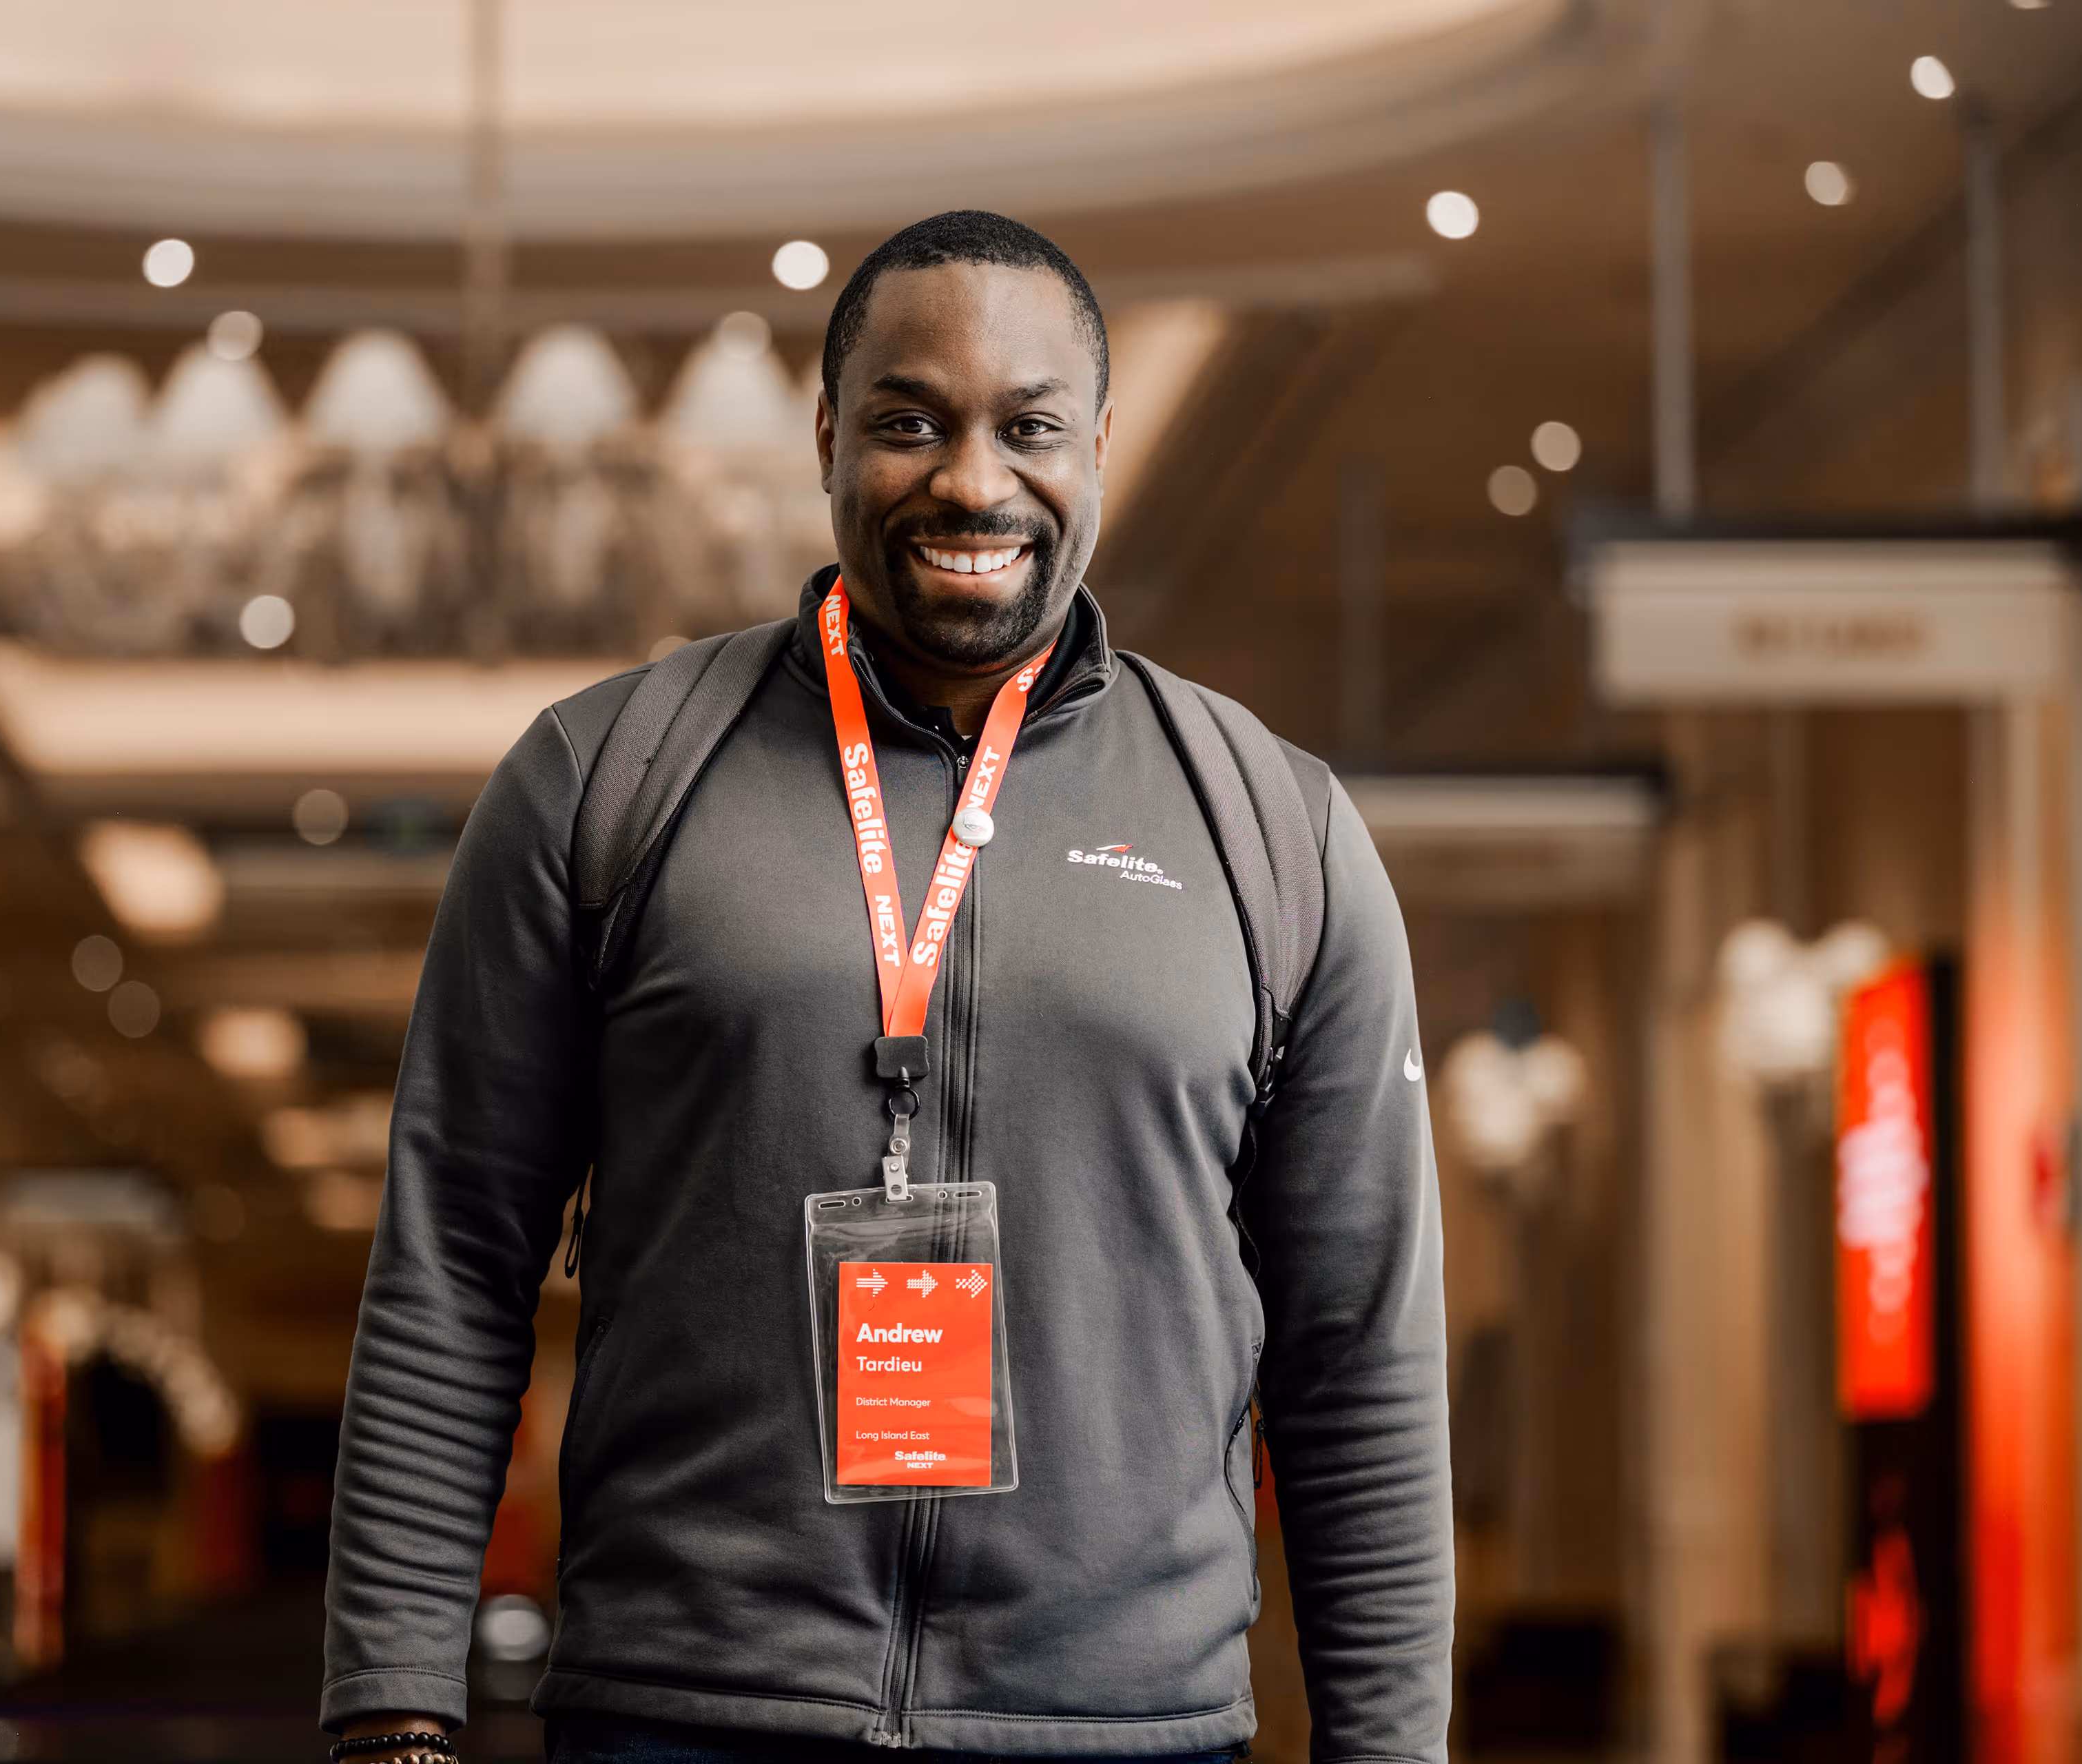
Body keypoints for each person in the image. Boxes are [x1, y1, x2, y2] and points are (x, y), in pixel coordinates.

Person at [322, 210, 1450, 1764]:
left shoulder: (1273, 829)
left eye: (1030, 425)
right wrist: (390, 1702)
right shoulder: (607, 781)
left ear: (1102, 442)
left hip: (1125, 1726)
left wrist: (1392, 1745)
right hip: (684, 1710)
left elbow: (1360, 1337)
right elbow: (452, 1257)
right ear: (827, 435)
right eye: (911, 422)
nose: (974, 480)